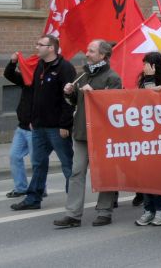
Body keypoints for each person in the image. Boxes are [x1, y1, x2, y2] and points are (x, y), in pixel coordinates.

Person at [53, 39, 123, 228]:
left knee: (105, 173)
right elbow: (76, 103)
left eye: (91, 51)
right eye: (88, 50)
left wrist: (96, 93)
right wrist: (69, 93)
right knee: (77, 172)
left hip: (103, 134)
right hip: (82, 131)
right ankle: (73, 214)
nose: (87, 53)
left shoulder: (113, 77)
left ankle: (104, 211)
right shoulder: (83, 74)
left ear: (102, 55)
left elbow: (113, 107)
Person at [11, 34, 76, 211]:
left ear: (51, 48)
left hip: (57, 127)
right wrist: (32, 118)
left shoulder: (65, 68)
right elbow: (35, 95)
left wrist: (65, 124)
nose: (36, 47)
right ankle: (33, 199)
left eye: (41, 44)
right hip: (39, 126)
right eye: (37, 43)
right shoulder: (40, 66)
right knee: (38, 163)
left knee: (67, 163)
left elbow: (69, 99)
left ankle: (74, 199)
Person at [133, 52, 161, 227]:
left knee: (155, 173)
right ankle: (149, 210)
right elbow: (140, 102)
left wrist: (151, 81)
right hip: (145, 132)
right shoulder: (143, 81)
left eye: (146, 64)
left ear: (155, 66)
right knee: (144, 174)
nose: (143, 68)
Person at [2, 53, 34, 199]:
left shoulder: (42, 83)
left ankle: (39, 188)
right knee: (14, 156)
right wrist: (13, 62)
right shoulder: (25, 80)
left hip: (35, 128)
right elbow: (8, 74)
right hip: (22, 127)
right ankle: (21, 187)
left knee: (37, 162)